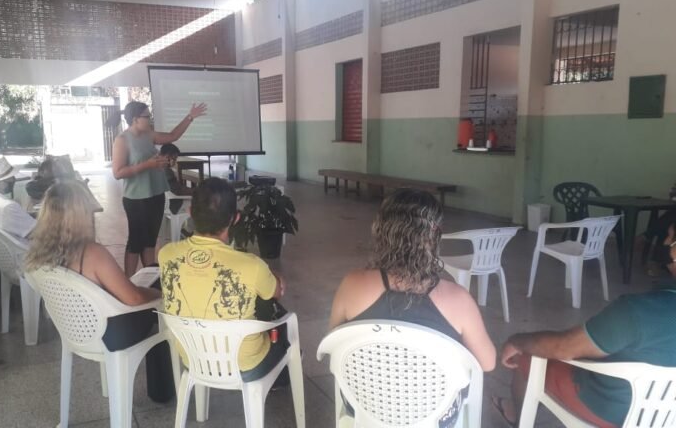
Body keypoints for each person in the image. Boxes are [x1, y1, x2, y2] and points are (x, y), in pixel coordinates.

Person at [328, 189, 495, 424]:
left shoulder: (352, 285)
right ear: (435, 236)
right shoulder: (458, 300)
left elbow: (335, 343)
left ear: (381, 232)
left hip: (363, 407)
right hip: (435, 415)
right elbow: (487, 363)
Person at [495, 235, 676, 427]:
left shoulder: (637, 311)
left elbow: (563, 347)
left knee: (527, 356)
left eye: (671, 239)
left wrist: (516, 341)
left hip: (612, 410)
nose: (665, 242)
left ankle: (516, 416)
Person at [24, 180, 175, 402]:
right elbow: (133, 298)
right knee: (160, 303)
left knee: (150, 274)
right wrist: (159, 296)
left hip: (76, 329)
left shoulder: (40, 254)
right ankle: (162, 392)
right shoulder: (91, 253)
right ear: (79, 215)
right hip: (111, 332)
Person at [158, 178, 288, 381]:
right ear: (235, 218)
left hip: (193, 360)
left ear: (191, 212)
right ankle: (278, 382)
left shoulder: (166, 254)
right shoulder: (252, 265)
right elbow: (277, 292)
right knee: (283, 326)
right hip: (245, 365)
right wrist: (275, 275)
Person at [110, 100, 207, 277]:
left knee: (150, 240)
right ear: (135, 119)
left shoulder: (149, 135)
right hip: (136, 198)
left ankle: (149, 277)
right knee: (136, 241)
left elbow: (173, 136)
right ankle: (129, 280)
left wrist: (190, 116)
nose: (150, 120)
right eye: (147, 117)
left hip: (155, 193)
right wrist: (147, 164)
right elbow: (117, 172)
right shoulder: (122, 140)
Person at [159, 143, 193, 215]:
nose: (175, 161)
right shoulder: (167, 170)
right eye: (175, 158)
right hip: (174, 204)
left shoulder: (157, 168)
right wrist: (196, 191)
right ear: (168, 157)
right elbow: (177, 191)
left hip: (164, 203)